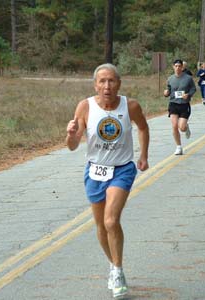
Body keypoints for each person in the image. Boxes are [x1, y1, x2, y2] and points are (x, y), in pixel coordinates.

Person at [66, 63, 149, 299]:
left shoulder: (130, 106)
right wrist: (71, 135)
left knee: (111, 221)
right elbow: (72, 146)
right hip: (95, 171)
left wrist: (143, 155)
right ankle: (113, 266)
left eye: (111, 81)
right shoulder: (85, 107)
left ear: (119, 84)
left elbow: (143, 128)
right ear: (95, 85)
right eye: (102, 81)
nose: (107, 86)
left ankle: (119, 271)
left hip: (122, 169)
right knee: (101, 226)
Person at [163, 59, 196, 155]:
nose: (177, 68)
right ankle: (179, 147)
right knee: (174, 126)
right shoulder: (170, 79)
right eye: (176, 66)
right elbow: (168, 90)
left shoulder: (188, 78)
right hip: (173, 104)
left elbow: (193, 89)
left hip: (184, 104)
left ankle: (186, 127)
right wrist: (166, 93)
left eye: (179, 66)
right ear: (173, 67)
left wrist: (188, 95)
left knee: (181, 127)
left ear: (182, 67)